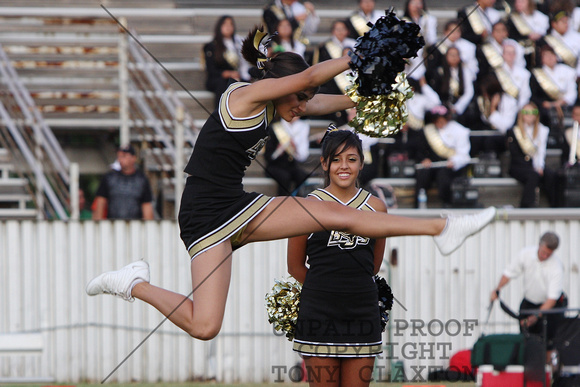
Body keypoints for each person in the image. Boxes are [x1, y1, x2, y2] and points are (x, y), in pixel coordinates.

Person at [86, 27, 496, 341]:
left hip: (222, 206)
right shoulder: (243, 97)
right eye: (298, 99)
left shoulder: (274, 104)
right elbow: (310, 80)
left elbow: (316, 97)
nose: (301, 110)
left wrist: (364, 99)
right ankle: (442, 227)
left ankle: (132, 283)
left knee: (205, 324)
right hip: (205, 210)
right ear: (284, 87)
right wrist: (360, 56)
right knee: (336, 216)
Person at [288, 129, 387, 386]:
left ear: (362, 163)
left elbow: (373, 265)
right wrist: (326, 288)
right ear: (324, 163)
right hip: (320, 312)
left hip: (362, 311)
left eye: (352, 159)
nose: (344, 166)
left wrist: (350, 288)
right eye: (336, 159)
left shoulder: (376, 207)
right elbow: (294, 265)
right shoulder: (307, 206)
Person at [490, 232, 567, 357]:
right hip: (529, 301)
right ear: (539, 245)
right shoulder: (525, 254)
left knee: (549, 341)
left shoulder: (556, 266)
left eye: (549, 254)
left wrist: (535, 316)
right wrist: (497, 289)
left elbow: (552, 299)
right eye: (543, 252)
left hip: (550, 306)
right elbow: (509, 273)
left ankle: (548, 371)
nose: (545, 256)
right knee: (525, 338)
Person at [415, 105, 472, 208]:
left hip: (450, 165)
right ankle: (418, 204)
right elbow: (421, 150)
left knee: (443, 176)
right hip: (433, 164)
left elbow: (464, 155)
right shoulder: (430, 130)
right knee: (423, 174)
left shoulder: (460, 131)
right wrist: (424, 159)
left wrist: (454, 161)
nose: (438, 124)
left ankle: (447, 204)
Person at [507, 103, 559, 207]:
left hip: (535, 165)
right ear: (521, 115)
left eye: (533, 112)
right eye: (526, 112)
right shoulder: (514, 131)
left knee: (550, 175)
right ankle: (525, 206)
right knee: (533, 176)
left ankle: (555, 206)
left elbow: (541, 151)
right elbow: (515, 155)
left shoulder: (542, 130)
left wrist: (539, 166)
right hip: (519, 166)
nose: (530, 115)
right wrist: (533, 168)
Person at [92, 144, 154, 220]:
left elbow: (146, 205)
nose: (120, 159)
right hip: (113, 224)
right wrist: (98, 225)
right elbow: (100, 202)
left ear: (133, 158)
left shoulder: (141, 179)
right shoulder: (109, 177)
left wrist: (148, 227)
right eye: (119, 156)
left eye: (124, 156)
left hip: (135, 226)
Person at [203, 16, 250, 107]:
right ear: (219, 26)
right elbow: (211, 69)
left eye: (231, 24)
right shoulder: (211, 46)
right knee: (223, 83)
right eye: (225, 24)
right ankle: (220, 112)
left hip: (235, 77)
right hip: (218, 78)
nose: (228, 27)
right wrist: (226, 73)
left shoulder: (237, 45)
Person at [264, 116, 310, 196]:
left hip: (291, 165)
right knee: (284, 177)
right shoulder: (275, 128)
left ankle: (299, 200)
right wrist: (278, 151)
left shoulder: (301, 127)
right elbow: (268, 156)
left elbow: (302, 156)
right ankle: (282, 201)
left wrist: (295, 148)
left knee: (302, 176)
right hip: (275, 166)